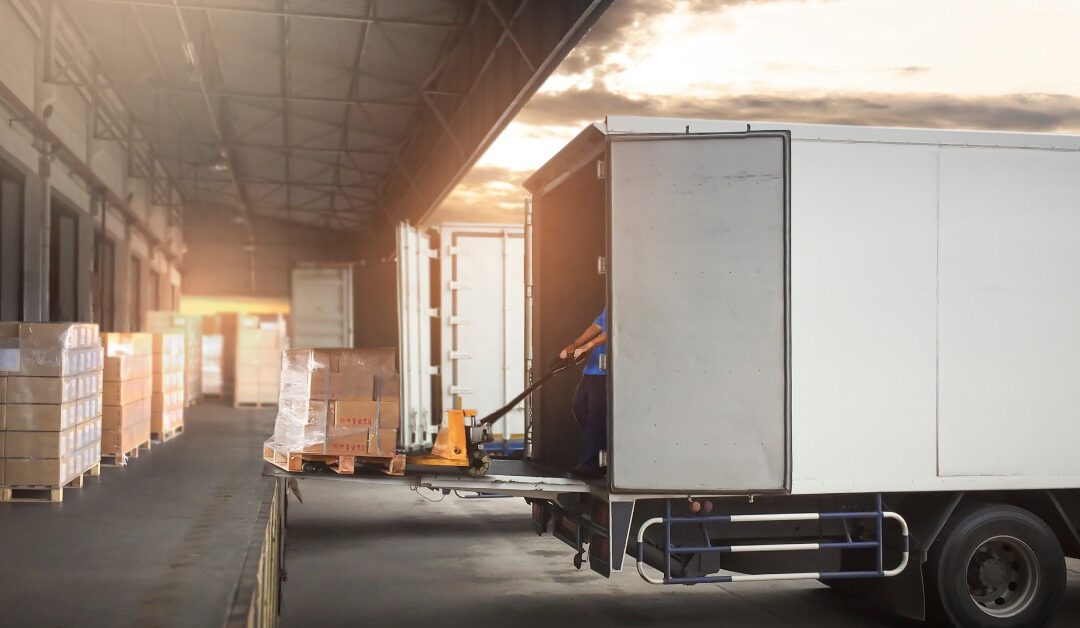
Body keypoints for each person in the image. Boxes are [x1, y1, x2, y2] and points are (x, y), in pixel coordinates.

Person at [560, 307, 608, 478]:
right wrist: (575, 345)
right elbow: (596, 327)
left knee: (596, 415)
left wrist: (588, 345)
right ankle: (600, 447)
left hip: (607, 371)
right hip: (593, 369)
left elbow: (615, 330)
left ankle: (591, 463)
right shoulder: (609, 305)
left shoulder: (627, 302)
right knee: (579, 406)